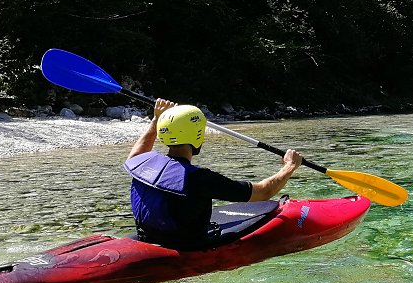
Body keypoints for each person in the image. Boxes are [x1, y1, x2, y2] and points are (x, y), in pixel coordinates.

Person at [123, 98, 303, 249]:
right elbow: (264, 192)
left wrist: (156, 121)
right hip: (184, 247)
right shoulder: (199, 179)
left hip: (149, 239)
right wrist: (289, 166)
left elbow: (135, 155)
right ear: (198, 135)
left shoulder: (144, 163)